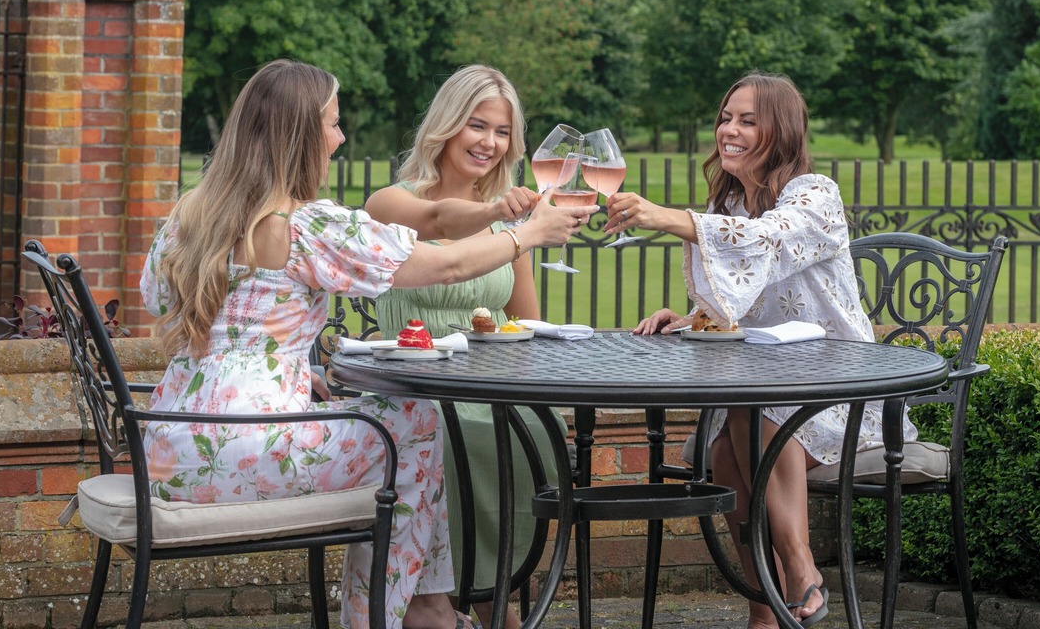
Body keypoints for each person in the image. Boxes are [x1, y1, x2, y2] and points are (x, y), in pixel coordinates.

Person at [138, 59, 596, 629]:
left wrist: (292, 370)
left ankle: (431, 611)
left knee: (400, 424)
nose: (341, 136)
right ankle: (384, 618)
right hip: (245, 449)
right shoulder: (305, 225)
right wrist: (525, 234)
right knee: (414, 422)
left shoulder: (189, 212)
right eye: (332, 123)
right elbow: (447, 265)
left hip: (162, 447)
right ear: (301, 136)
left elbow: (162, 305)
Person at [603, 71, 916, 629]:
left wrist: (665, 218)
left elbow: (767, 244)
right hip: (767, 393)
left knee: (750, 413)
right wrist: (692, 318)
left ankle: (797, 573)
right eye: (726, 117)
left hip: (840, 390)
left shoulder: (816, 194)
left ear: (783, 131)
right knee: (729, 442)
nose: (730, 129)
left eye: (748, 120)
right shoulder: (730, 201)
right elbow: (740, 303)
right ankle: (769, 612)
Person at [365, 65, 558, 629]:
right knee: (453, 432)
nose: (489, 144)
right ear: (446, 127)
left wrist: (511, 222)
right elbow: (439, 223)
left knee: (538, 428)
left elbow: (526, 320)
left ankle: (495, 592)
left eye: (502, 133)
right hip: (416, 379)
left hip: (492, 377)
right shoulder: (390, 203)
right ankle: (463, 601)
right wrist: (506, 219)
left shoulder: (511, 220)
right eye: (477, 126)